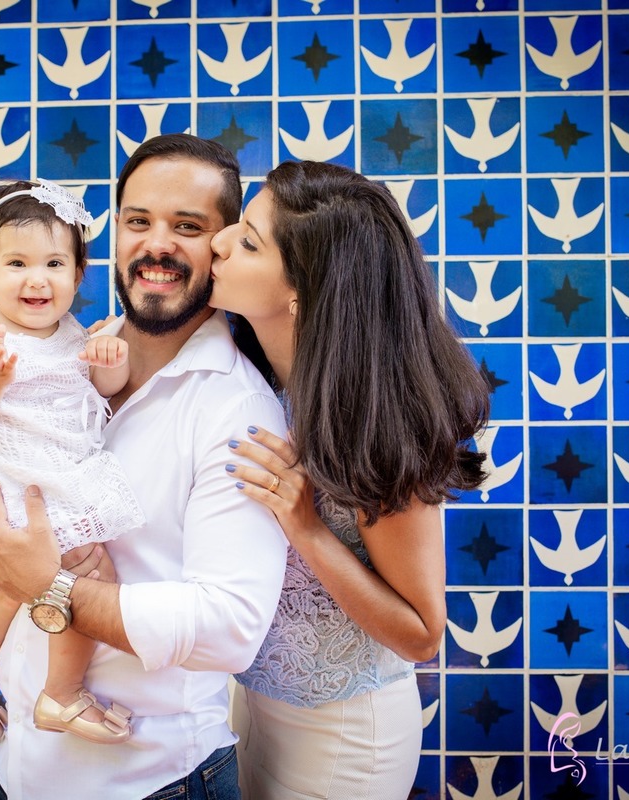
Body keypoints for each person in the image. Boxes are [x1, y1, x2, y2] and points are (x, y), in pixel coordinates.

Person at [0, 134, 289, 799]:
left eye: (188, 227)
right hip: (17, 769)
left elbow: (230, 629)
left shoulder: (236, 407)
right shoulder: (56, 358)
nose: (157, 243)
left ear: (223, 246)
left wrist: (48, 588)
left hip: (151, 782)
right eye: (138, 221)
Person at [209, 159, 492, 799]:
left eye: (248, 240)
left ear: (299, 292)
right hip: (249, 705)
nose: (219, 242)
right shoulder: (253, 381)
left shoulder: (375, 420)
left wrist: (308, 528)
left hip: (343, 737)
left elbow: (422, 634)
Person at [0, 179, 146, 745]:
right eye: (17, 263)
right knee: (89, 574)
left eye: (55, 262)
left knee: (10, 589)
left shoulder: (74, 332)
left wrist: (110, 359)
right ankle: (62, 693)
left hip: (55, 482)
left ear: (79, 275)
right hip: (15, 490)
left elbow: (105, 390)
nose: (37, 278)